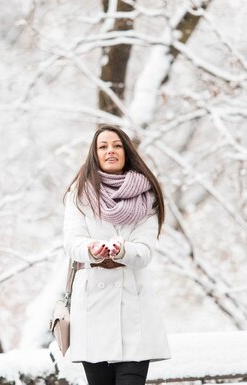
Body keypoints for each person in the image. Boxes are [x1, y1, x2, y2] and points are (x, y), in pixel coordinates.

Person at [63, 124, 171, 385]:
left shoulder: (147, 196)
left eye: (116, 145)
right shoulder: (79, 194)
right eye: (103, 146)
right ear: (95, 154)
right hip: (92, 311)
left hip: (133, 311)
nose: (110, 151)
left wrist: (122, 251)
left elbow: (144, 251)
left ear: (126, 151)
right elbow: (72, 242)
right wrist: (92, 249)